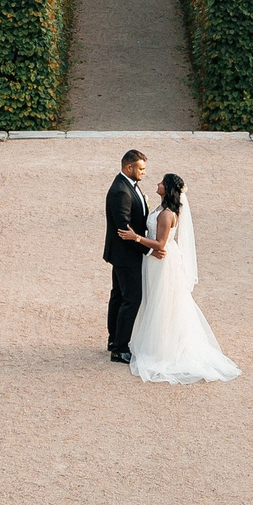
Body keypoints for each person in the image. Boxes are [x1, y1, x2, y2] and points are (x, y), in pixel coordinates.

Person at [124, 172, 240, 384]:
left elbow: (160, 244)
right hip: (154, 262)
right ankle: (155, 342)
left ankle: (163, 348)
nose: (157, 184)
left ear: (167, 189)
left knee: (164, 302)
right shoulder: (160, 209)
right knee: (154, 300)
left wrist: (135, 238)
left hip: (163, 262)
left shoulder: (167, 214)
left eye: (161, 182)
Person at [102, 149, 152, 362]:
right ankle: (120, 348)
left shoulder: (129, 185)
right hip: (126, 255)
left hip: (123, 254)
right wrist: (149, 248)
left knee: (119, 295)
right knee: (131, 298)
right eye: (140, 169)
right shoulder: (121, 191)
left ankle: (114, 340)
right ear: (128, 167)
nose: (143, 173)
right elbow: (125, 230)